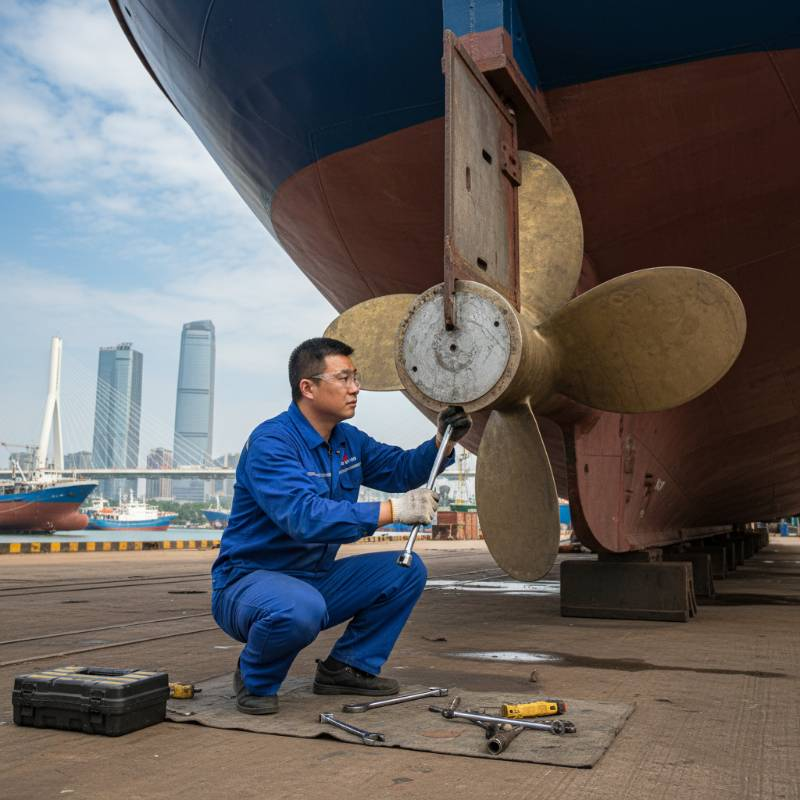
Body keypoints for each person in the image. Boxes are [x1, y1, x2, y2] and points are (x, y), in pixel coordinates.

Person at [211, 337, 472, 714]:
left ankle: (348, 667)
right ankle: (255, 678)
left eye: (356, 377)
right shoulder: (272, 442)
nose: (356, 388)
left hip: (313, 578)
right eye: (344, 378)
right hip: (249, 582)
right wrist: (394, 509)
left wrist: (442, 443)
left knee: (405, 570)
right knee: (299, 609)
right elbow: (305, 517)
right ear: (309, 388)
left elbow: (400, 469)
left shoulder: (347, 440)